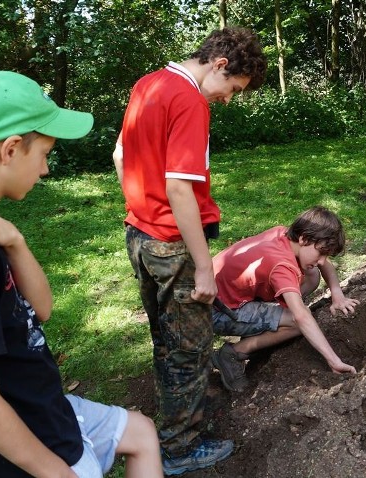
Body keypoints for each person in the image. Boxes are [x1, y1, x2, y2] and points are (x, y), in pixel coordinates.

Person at [0, 70, 162, 478]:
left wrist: (15, 240)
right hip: (36, 446)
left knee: (142, 433)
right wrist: (59, 473)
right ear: (9, 149)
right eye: (44, 154)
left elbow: (40, 309)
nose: (45, 170)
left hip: (47, 410)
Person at [114, 28, 267, 476]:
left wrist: (140, 208)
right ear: (220, 65)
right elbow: (180, 187)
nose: (227, 100)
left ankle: (176, 415)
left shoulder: (148, 84)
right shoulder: (188, 99)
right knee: (192, 348)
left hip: (138, 235)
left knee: (165, 337)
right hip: (171, 244)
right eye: (233, 89)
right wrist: (204, 266)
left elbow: (121, 155)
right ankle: (178, 447)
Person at [210, 206, 359, 392]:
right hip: (217, 311)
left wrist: (337, 295)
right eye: (321, 252)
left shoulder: (285, 235)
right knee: (297, 323)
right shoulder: (282, 266)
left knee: (312, 274)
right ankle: (232, 353)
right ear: (304, 238)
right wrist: (334, 361)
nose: (322, 260)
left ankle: (269, 315)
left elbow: (324, 265)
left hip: (218, 290)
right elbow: (301, 318)